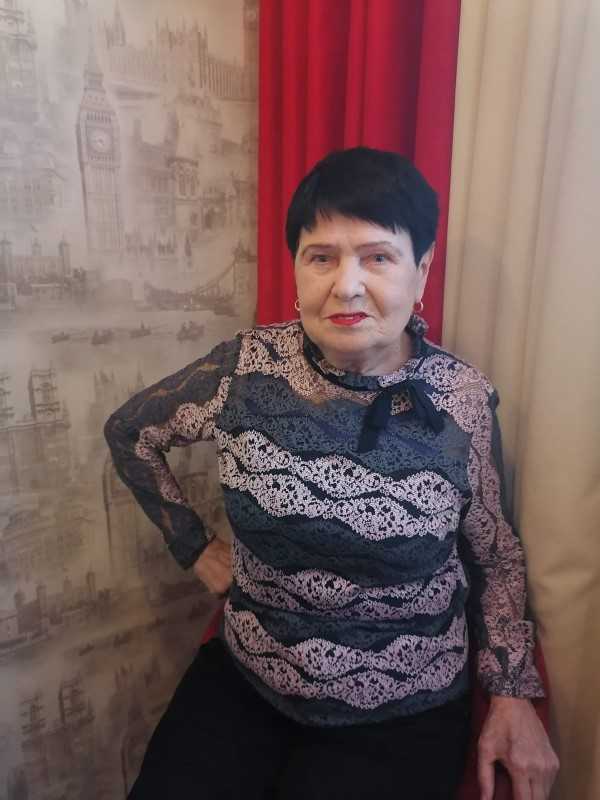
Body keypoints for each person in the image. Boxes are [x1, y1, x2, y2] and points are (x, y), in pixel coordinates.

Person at [104, 147, 559, 799]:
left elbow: (495, 555)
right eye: (321, 257)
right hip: (248, 679)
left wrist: (512, 694)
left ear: (421, 270)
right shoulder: (244, 370)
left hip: (402, 713)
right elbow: (131, 433)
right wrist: (194, 547)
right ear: (296, 268)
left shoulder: (461, 400)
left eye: (378, 257)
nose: (346, 286)